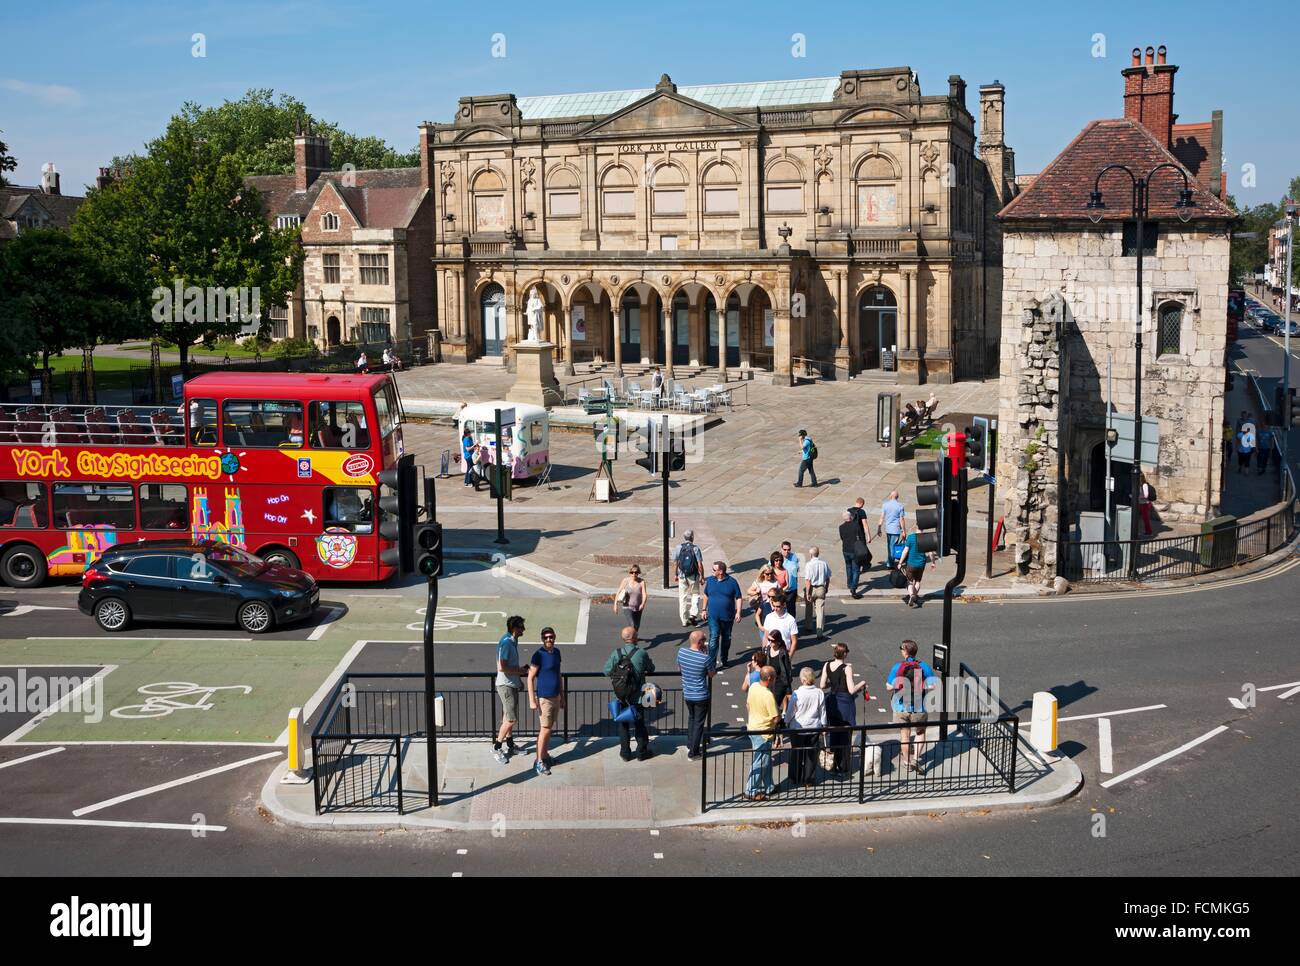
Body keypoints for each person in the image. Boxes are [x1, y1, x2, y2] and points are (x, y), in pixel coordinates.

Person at [884, 639, 938, 774]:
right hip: (919, 707)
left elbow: (889, 687)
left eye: (901, 648)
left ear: (906, 651)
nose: (901, 651)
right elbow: (933, 685)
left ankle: (907, 763)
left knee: (905, 735)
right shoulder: (924, 666)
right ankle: (915, 759)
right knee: (920, 732)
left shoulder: (898, 667)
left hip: (901, 706)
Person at [605, 626, 656, 761]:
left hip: (621, 696)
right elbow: (651, 669)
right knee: (639, 724)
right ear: (635, 638)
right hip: (638, 697)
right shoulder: (642, 653)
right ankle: (641, 751)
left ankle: (625, 753)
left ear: (623, 638)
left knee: (623, 725)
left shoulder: (616, 653)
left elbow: (606, 670)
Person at [820, 643, 868, 776]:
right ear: (845, 654)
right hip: (845, 703)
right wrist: (862, 683)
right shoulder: (847, 668)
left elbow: (823, 685)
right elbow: (852, 690)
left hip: (833, 701)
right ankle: (843, 767)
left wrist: (834, 683)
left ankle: (833, 765)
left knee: (834, 735)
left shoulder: (826, 665)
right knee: (845, 737)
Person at [527, 626, 564, 776]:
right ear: (542, 639)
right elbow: (530, 678)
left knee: (549, 729)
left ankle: (545, 756)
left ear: (555, 637)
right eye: (546, 637)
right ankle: (539, 761)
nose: (549, 639)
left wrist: (562, 696)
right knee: (545, 729)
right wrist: (531, 700)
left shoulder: (557, 653)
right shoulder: (538, 655)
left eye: (551, 637)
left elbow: (558, 674)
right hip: (544, 698)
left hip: (555, 697)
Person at [493, 615, 529, 764]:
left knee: (508, 718)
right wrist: (521, 671)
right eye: (521, 627)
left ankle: (510, 745)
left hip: (511, 684)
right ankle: (496, 747)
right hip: (506, 686)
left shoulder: (512, 641)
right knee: (511, 719)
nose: (523, 630)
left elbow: (510, 665)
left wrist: (519, 679)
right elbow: (502, 667)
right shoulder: (507, 643)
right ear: (514, 628)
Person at [677, 629, 714, 759]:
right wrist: (707, 655)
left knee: (692, 718)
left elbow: (680, 668)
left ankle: (690, 743)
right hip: (701, 695)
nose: (706, 642)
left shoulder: (681, 652)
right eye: (704, 640)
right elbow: (711, 674)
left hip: (688, 693)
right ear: (700, 642)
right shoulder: (705, 658)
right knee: (699, 723)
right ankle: (694, 752)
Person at [785, 666, 826, 786]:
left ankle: (794, 778)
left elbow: (791, 711)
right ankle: (809, 779)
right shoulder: (819, 693)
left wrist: (787, 721)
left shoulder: (797, 693)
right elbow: (822, 711)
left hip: (798, 728)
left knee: (796, 753)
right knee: (811, 755)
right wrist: (824, 725)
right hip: (813, 727)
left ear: (803, 679)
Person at [744, 666, 780, 800]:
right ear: (770, 678)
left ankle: (769, 786)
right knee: (760, 762)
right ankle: (750, 790)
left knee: (766, 760)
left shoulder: (753, 686)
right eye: (774, 677)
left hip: (753, 727)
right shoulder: (768, 695)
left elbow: (747, 705)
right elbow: (775, 717)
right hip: (764, 732)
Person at [700, 560, 743, 669]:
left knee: (726, 639)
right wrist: (704, 609)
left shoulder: (732, 582)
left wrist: (738, 612)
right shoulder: (710, 581)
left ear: (721, 571)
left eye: (714, 570)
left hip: (727, 617)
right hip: (713, 616)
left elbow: (738, 597)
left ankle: (724, 659)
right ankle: (712, 663)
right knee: (713, 638)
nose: (712, 571)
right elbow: (706, 595)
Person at [898, 528, 937, 608]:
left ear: (916, 527)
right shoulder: (926, 538)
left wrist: (900, 562)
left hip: (911, 564)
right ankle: (914, 596)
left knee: (909, 581)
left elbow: (905, 551)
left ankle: (912, 594)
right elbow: (931, 552)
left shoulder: (911, 537)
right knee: (918, 581)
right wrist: (933, 562)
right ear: (923, 528)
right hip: (921, 564)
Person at [673, 529, 705, 627]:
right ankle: (693, 614)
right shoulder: (695, 548)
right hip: (693, 575)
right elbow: (700, 564)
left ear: (684, 537)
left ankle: (684, 620)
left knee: (682, 598)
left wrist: (675, 574)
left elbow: (675, 563)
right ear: (692, 537)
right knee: (695, 594)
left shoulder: (678, 547)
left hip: (682, 575)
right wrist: (702, 576)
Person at [747, 563, 781, 648]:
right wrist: (756, 592)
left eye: (771, 573)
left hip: (773, 608)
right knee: (763, 627)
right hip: (762, 608)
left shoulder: (775, 582)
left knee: (772, 628)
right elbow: (749, 591)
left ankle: (771, 646)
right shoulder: (758, 582)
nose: (769, 575)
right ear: (763, 573)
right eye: (767, 574)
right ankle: (765, 646)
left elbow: (781, 594)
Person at [761, 628, 793, 716]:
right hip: (768, 682)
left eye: (772, 640)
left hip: (779, 683)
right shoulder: (767, 650)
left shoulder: (783, 653)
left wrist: (788, 690)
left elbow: (787, 670)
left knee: (773, 707)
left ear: (778, 642)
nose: (769, 642)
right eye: (769, 640)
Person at [761, 587, 800, 658]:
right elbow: (766, 636)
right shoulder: (769, 617)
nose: (775, 609)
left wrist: (789, 657)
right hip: (770, 652)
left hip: (784, 653)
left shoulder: (790, 620)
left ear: (784, 605)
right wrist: (764, 651)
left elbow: (794, 641)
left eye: (778, 606)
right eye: (774, 606)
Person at [614, 565, 648, 644]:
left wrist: (643, 604)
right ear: (629, 573)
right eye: (632, 572)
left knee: (637, 626)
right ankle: (632, 643)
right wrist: (615, 605)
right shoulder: (625, 581)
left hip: (638, 607)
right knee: (632, 624)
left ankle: (634, 637)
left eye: (636, 572)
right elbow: (618, 592)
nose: (634, 574)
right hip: (627, 607)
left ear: (638, 573)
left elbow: (644, 594)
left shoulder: (642, 582)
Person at [802, 546, 831, 640]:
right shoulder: (824, 564)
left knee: (809, 607)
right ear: (818, 554)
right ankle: (819, 632)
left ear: (810, 555)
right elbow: (828, 577)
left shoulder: (808, 565)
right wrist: (826, 588)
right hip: (821, 588)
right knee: (820, 610)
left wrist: (807, 593)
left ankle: (808, 626)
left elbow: (808, 580)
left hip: (811, 588)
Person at [839, 511, 869, 598]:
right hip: (855, 551)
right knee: (856, 570)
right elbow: (861, 537)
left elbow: (842, 537)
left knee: (848, 567)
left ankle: (849, 583)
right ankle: (853, 588)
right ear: (850, 517)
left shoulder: (841, 527)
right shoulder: (856, 525)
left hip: (845, 550)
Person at [878, 490, 907, 567]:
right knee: (893, 546)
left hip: (888, 529)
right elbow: (901, 519)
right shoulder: (900, 506)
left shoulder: (885, 505)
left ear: (890, 496)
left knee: (889, 545)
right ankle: (890, 563)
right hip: (896, 529)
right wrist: (904, 531)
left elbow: (882, 517)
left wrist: (879, 528)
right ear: (897, 497)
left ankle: (889, 560)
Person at [778, 540, 800, 610]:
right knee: (780, 609)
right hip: (780, 589)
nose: (787, 551)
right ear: (781, 549)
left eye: (788, 550)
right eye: (784, 549)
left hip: (792, 589)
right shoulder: (777, 558)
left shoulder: (794, 557)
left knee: (791, 610)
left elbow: (796, 571)